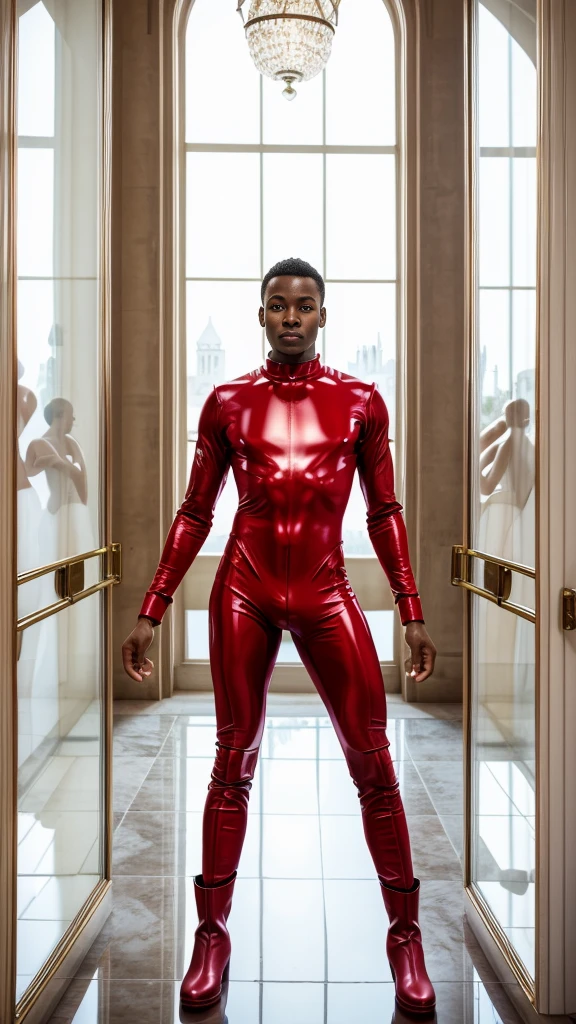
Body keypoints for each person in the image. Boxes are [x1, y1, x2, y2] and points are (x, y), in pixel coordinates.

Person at [122, 258, 438, 1017]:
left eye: (304, 306)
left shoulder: (361, 402)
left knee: (373, 760)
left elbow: (384, 512)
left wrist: (411, 608)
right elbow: (195, 513)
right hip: (245, 591)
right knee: (232, 759)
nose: (291, 317)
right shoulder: (227, 403)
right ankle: (211, 934)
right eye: (277, 306)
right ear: (261, 315)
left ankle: (405, 938)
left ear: (322, 316)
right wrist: (153, 605)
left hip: (328, 591)